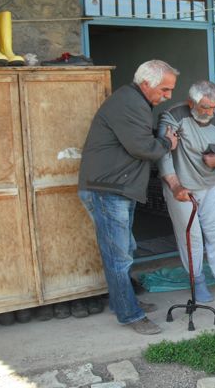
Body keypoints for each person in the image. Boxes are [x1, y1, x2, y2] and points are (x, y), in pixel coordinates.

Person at [78, 59, 180, 335]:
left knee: (125, 249)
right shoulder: (131, 103)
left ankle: (124, 301)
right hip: (108, 190)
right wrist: (167, 143)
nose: (168, 96)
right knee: (118, 255)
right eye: (165, 89)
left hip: (115, 188)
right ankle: (129, 314)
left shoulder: (134, 101)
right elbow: (142, 148)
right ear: (147, 83)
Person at [157, 80, 215, 304]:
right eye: (204, 107)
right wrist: (175, 185)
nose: (209, 112)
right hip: (182, 188)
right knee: (191, 237)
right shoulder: (173, 116)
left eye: (213, 107)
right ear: (191, 102)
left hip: (210, 185)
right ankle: (197, 280)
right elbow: (162, 152)